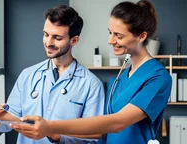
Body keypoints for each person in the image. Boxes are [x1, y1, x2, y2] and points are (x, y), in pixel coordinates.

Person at [10, 1, 172, 144]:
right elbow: (102, 131)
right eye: (110, 32)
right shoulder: (124, 75)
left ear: (141, 36)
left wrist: (50, 126)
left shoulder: (158, 78)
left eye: (118, 35)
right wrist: (53, 133)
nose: (110, 41)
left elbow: (117, 123)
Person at [0, 4, 105, 144]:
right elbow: (6, 125)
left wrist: (54, 135)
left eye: (57, 38)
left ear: (74, 40)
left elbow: (93, 138)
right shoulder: (27, 76)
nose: (48, 42)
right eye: (46, 34)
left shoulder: (91, 84)